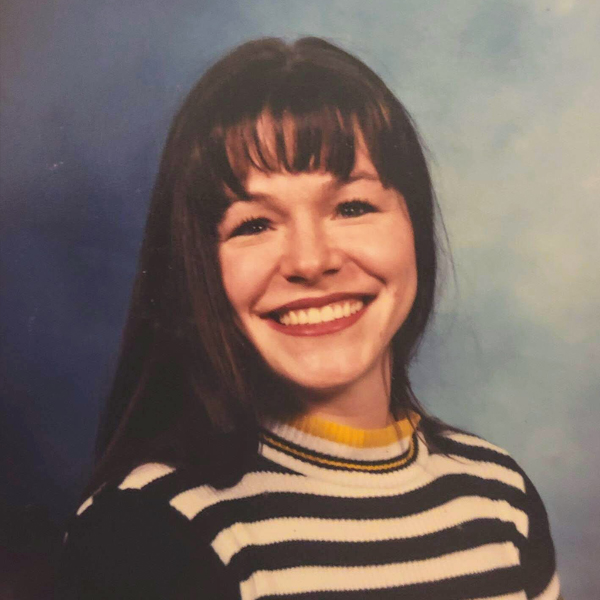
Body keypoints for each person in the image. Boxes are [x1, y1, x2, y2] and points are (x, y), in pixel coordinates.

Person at [55, 37, 561, 599]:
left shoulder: (499, 493)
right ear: (199, 266)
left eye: (352, 207)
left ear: (413, 228)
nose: (310, 261)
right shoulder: (148, 529)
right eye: (254, 224)